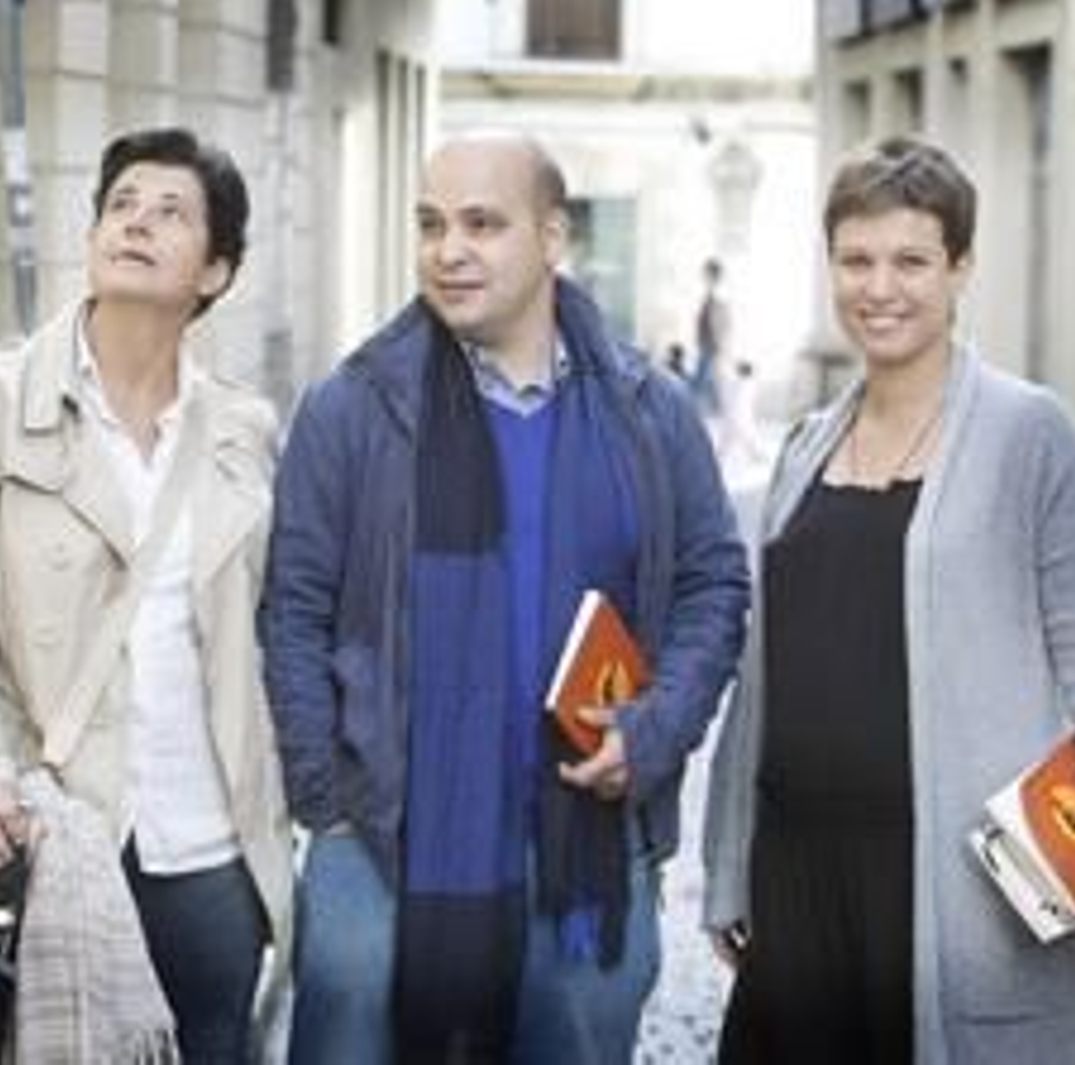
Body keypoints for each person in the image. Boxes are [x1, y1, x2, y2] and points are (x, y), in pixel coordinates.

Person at [263, 132, 751, 1064]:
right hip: (383, 830)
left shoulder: (646, 410)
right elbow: (293, 608)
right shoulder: (354, 407)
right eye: (431, 224)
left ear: (553, 237)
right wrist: (327, 796)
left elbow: (713, 582)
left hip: (585, 836)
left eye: (482, 224)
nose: (449, 250)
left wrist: (653, 733)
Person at [701, 135, 1075, 1063]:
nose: (880, 288)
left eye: (911, 261)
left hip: (950, 878)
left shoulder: (1029, 433)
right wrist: (730, 862)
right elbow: (763, 679)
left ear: (960, 268)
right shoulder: (804, 444)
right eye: (857, 260)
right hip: (798, 870)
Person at [0, 126, 292, 1064]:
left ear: (216, 271)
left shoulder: (242, 428)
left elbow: (269, 629)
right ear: (91, 237)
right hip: (43, 836)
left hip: (209, 849)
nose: (137, 223)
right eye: (121, 205)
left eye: (171, 212)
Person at [691, 256, 731, 417]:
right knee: (706, 381)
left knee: (700, 382)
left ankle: (716, 410)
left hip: (711, 344)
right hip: (707, 344)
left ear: (713, 274)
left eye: (706, 273)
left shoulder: (718, 294)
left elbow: (721, 321)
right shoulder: (711, 293)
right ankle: (718, 410)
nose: (704, 276)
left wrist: (718, 342)